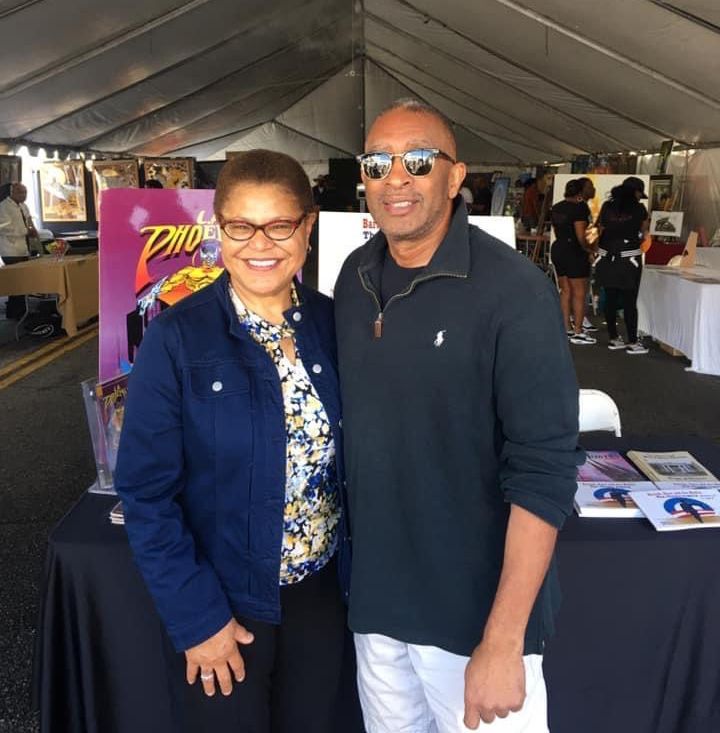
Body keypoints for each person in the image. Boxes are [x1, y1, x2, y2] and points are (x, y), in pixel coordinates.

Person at [334, 99, 582, 732]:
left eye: (418, 160)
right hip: (379, 611)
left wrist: (504, 640)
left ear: (455, 176)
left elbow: (544, 471)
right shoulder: (353, 276)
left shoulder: (516, 292)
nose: (396, 177)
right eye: (377, 162)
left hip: (474, 624)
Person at [115, 149, 351, 733]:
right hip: (223, 600)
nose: (260, 244)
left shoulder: (334, 324)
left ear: (308, 226)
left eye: (279, 225)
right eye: (241, 226)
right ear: (218, 229)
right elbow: (146, 494)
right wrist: (198, 619)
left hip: (322, 593)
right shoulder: (176, 337)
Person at [595, 176, 650, 355]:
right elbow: (644, 231)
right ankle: (632, 341)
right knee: (629, 300)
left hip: (607, 256)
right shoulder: (639, 208)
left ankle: (613, 337)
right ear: (636, 192)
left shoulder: (607, 207)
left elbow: (599, 229)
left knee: (610, 298)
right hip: (629, 259)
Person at [550, 179, 596, 344]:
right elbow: (581, 235)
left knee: (565, 290)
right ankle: (578, 331)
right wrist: (589, 249)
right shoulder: (580, 207)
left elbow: (557, 229)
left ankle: (566, 328)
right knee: (579, 292)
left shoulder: (557, 207)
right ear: (579, 193)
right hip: (574, 251)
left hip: (558, 248)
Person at [0, 182, 36, 319]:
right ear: (12, 193)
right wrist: (25, 231)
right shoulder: (3, 207)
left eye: (25, 192)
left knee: (23, 281)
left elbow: (28, 220)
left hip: (23, 248)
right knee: (16, 281)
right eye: (20, 192)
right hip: (10, 249)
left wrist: (32, 230)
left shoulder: (23, 206)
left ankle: (22, 310)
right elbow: (3, 228)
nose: (24, 195)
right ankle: (14, 312)